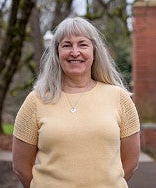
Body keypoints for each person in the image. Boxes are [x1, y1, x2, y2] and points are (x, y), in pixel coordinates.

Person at [12, 17, 140, 188]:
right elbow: (21, 167)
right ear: (57, 53)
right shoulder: (36, 101)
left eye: (82, 44)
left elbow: (131, 162)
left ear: (95, 52)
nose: (75, 52)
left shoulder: (120, 98)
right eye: (66, 45)